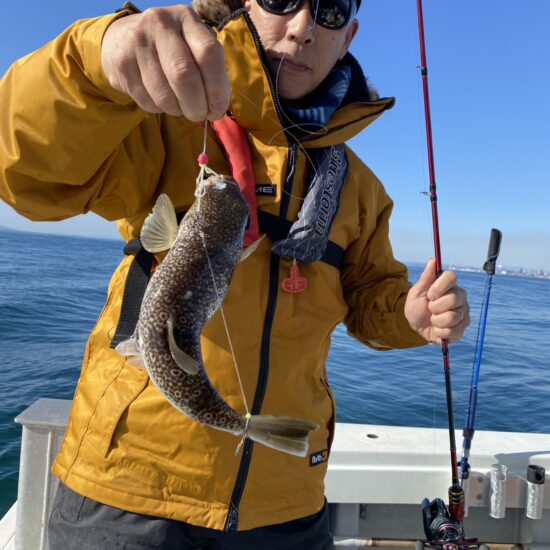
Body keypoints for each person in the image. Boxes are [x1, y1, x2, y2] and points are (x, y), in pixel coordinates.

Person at [0, 0, 470, 548]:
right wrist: (94, 62)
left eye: (332, 11)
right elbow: (22, 171)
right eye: (281, 0)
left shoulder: (362, 192)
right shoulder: (165, 123)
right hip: (130, 488)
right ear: (244, 6)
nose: (303, 28)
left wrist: (410, 316)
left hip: (286, 500)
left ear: (349, 37)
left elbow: (369, 300)